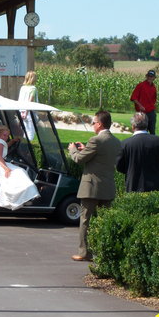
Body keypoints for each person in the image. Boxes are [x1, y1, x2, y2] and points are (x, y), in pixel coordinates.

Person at [68, 110, 121, 262]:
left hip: (91, 187)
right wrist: (86, 149)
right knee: (105, 221)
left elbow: (78, 159)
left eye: (93, 122)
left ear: (99, 124)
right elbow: (99, 157)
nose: (92, 125)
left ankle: (84, 252)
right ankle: (105, 253)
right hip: (108, 186)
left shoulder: (96, 140)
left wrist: (72, 150)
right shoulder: (116, 141)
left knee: (85, 220)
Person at [0, 125, 39, 210]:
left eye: (7, 136)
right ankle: (21, 197)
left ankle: (23, 196)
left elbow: (4, 147)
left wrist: (13, 141)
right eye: (4, 135)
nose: (6, 137)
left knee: (19, 170)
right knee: (20, 171)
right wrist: (6, 169)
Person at [116, 112, 159, 193]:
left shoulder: (125, 144)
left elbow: (119, 167)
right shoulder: (157, 141)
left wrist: (131, 170)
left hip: (134, 186)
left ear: (133, 126)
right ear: (147, 125)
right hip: (156, 187)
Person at [130, 70, 158, 135]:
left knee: (152, 132)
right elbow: (133, 98)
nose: (150, 78)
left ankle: (152, 145)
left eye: (152, 76)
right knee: (142, 132)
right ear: (146, 76)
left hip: (151, 112)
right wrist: (140, 106)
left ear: (154, 78)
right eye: (149, 76)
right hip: (142, 113)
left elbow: (154, 100)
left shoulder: (154, 87)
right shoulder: (140, 85)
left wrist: (153, 107)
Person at [18, 70, 38, 139]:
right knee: (30, 133)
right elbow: (30, 101)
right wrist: (26, 112)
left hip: (21, 112)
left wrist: (22, 112)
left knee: (25, 132)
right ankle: (29, 148)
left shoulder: (22, 88)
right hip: (29, 112)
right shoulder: (33, 88)